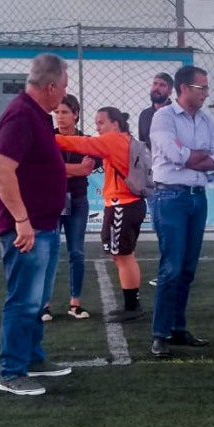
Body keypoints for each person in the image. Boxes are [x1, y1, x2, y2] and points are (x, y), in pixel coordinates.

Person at [0, 53, 73, 397]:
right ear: (51, 86)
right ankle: (12, 371)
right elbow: (0, 169)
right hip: (28, 228)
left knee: (37, 299)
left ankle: (33, 358)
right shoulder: (22, 115)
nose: (66, 94)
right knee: (23, 300)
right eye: (65, 86)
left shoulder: (35, 115)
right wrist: (22, 221)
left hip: (44, 224)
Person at [147, 65, 214, 358]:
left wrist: (192, 157)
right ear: (184, 89)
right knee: (172, 267)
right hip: (170, 198)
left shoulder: (205, 120)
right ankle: (160, 333)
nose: (206, 93)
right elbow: (173, 154)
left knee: (188, 269)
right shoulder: (163, 117)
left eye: (206, 88)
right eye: (201, 88)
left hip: (197, 198)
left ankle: (177, 328)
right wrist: (199, 156)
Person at [55, 107, 147, 323]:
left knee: (123, 257)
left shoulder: (114, 139)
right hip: (127, 204)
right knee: (124, 256)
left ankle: (132, 307)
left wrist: (50, 137)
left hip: (122, 205)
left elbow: (80, 144)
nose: (98, 127)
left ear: (115, 124)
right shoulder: (125, 139)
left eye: (101, 122)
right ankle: (132, 304)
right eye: (96, 123)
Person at [40, 94, 98, 321]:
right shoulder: (47, 137)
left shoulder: (87, 140)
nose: (60, 117)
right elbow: (48, 169)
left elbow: (88, 169)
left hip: (77, 200)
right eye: (57, 112)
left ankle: (75, 304)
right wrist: (75, 168)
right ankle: (44, 305)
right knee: (49, 253)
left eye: (65, 112)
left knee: (77, 253)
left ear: (76, 114)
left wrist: (62, 168)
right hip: (52, 200)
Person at [139, 72, 174, 288]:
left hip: (172, 180)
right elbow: (144, 147)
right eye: (155, 84)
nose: (157, 88)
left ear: (170, 90)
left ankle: (171, 271)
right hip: (152, 181)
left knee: (171, 227)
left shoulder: (175, 113)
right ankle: (167, 271)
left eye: (162, 85)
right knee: (160, 227)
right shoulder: (145, 115)